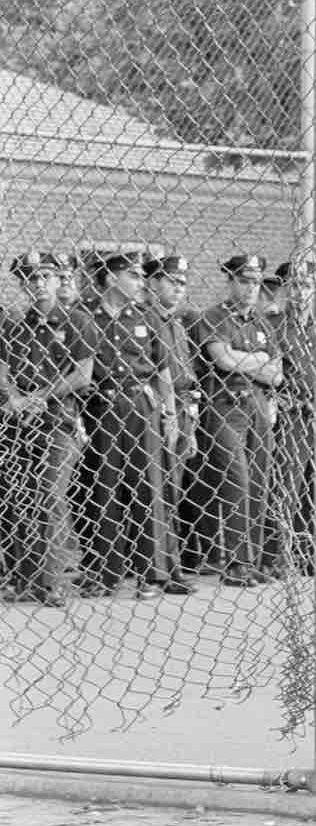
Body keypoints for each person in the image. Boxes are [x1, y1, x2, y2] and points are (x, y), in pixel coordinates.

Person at [77, 252, 180, 599]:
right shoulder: (86, 316)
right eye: (133, 275)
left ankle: (151, 573)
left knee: (146, 486)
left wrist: (171, 415)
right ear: (110, 279)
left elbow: (163, 371)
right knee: (102, 487)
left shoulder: (147, 316)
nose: (140, 282)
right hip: (102, 405)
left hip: (141, 406)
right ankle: (105, 572)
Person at [0, 252, 99, 607]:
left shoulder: (77, 321)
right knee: (22, 497)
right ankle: (27, 580)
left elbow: (82, 374)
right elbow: (2, 364)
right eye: (30, 278)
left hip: (59, 422)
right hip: (21, 422)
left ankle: (53, 581)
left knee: (51, 495)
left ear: (59, 280)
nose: (38, 284)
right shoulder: (14, 325)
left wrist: (41, 396)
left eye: (45, 276)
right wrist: (12, 396)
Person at [191, 255, 284, 588]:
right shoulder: (213, 317)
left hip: (258, 405)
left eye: (256, 282)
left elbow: (277, 375)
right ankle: (234, 562)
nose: (250, 289)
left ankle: (252, 560)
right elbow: (221, 359)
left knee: (259, 481)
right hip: (225, 405)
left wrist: (247, 361)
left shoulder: (262, 322)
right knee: (237, 480)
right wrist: (257, 361)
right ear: (230, 281)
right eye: (244, 281)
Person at [144, 255, 200, 591]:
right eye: (171, 282)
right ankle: (161, 568)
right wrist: (167, 415)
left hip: (181, 408)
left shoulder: (177, 324)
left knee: (174, 492)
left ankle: (173, 565)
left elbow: (188, 379)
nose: (178, 289)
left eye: (182, 283)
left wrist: (189, 422)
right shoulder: (148, 320)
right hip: (157, 410)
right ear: (154, 284)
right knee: (160, 492)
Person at [261, 260, 316, 575]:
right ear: (283, 289)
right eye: (294, 285)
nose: (300, 292)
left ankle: (306, 554)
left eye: (306, 285)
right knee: (286, 485)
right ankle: (277, 555)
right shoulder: (273, 324)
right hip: (291, 412)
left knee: (314, 487)